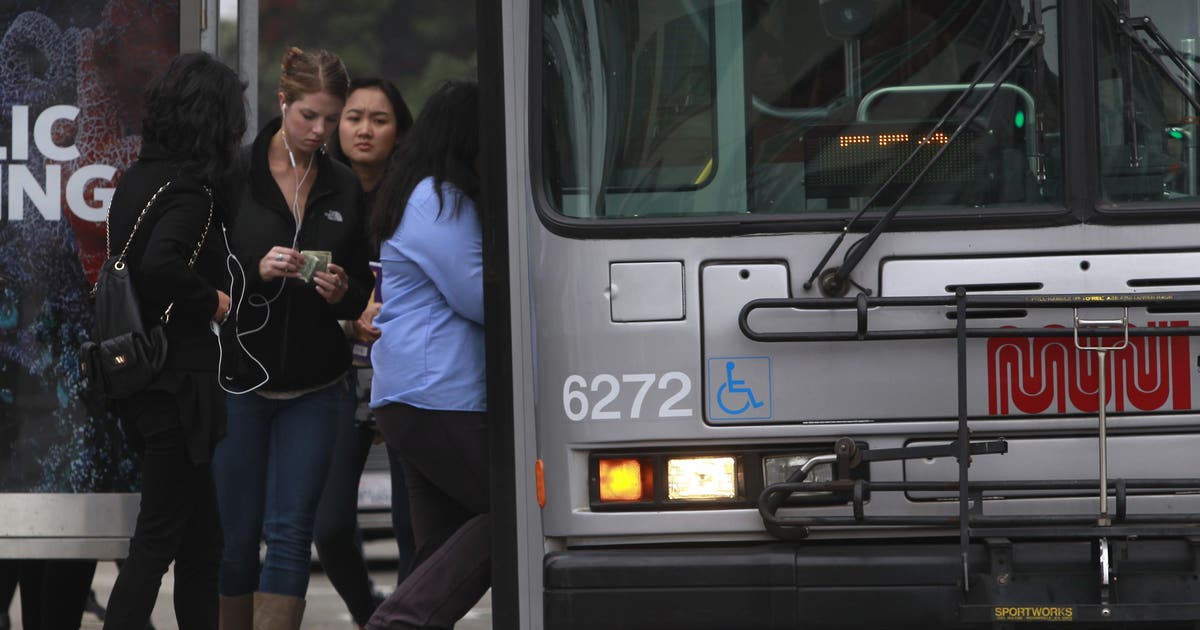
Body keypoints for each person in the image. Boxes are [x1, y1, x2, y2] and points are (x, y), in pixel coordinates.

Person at [214, 46, 372, 630]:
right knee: (236, 538)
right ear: (282, 102)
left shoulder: (343, 185)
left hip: (317, 384)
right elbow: (201, 274)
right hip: (239, 381)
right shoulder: (235, 174)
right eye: (309, 115)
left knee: (291, 535)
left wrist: (343, 292)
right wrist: (254, 271)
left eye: (332, 118)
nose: (321, 131)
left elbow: (360, 291)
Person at [100, 51, 244, 630]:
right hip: (178, 387)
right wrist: (212, 301)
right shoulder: (192, 193)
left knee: (202, 544)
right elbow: (161, 263)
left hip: (145, 381)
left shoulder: (137, 181)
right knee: (157, 543)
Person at [365, 80, 488, 630]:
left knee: (438, 551)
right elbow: (479, 295)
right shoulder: (440, 200)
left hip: (414, 394)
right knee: (517, 510)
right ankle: (396, 623)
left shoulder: (415, 192)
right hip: (440, 394)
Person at [315, 77, 416, 628]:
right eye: (354, 117)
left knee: (412, 525)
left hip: (409, 375)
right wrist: (347, 317)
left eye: (380, 119)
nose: (364, 130)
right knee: (328, 526)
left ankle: (409, 617)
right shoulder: (319, 193)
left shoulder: (418, 199)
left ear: (399, 130)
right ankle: (369, 614)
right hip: (338, 376)